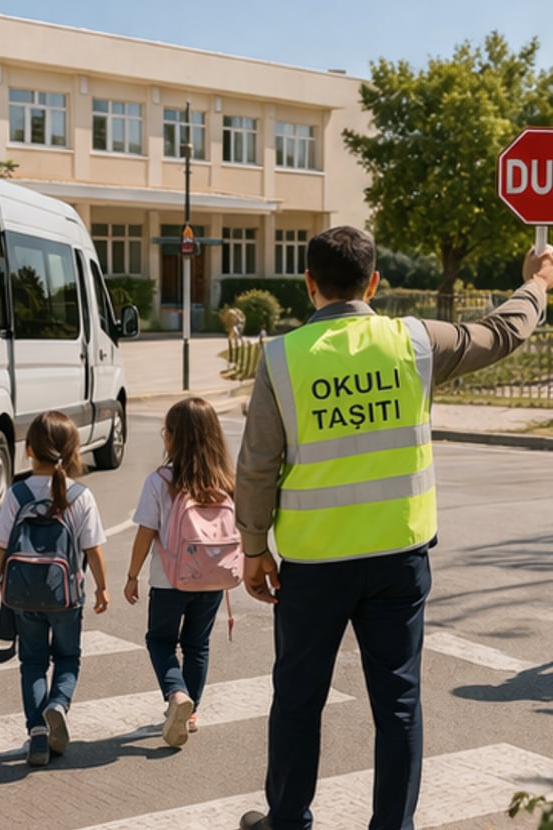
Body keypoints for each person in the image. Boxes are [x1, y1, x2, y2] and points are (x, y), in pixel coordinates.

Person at [236, 226, 553, 830]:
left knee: (299, 700)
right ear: (375, 283)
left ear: (309, 285)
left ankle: (288, 820)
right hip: (397, 561)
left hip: (312, 565)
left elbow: (255, 466)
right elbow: (501, 333)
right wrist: (537, 281)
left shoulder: (282, 358)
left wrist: (254, 549)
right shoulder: (416, 342)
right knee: (399, 705)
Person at [0, 411, 109, 767]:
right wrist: (103, 588)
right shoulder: (81, 496)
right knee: (68, 657)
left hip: (22, 596)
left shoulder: (17, 493)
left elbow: (0, 545)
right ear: (73, 451)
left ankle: (37, 733)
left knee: (33, 662)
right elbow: (92, 549)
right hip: (66, 597)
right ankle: (58, 704)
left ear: (28, 450)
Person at [124, 396, 236, 747]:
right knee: (197, 644)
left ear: (172, 437)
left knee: (159, 640)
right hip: (214, 578)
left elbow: (146, 531)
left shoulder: (160, 481)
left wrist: (131, 575)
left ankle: (176, 695)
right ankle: (192, 711)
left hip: (169, 580)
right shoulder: (226, 481)